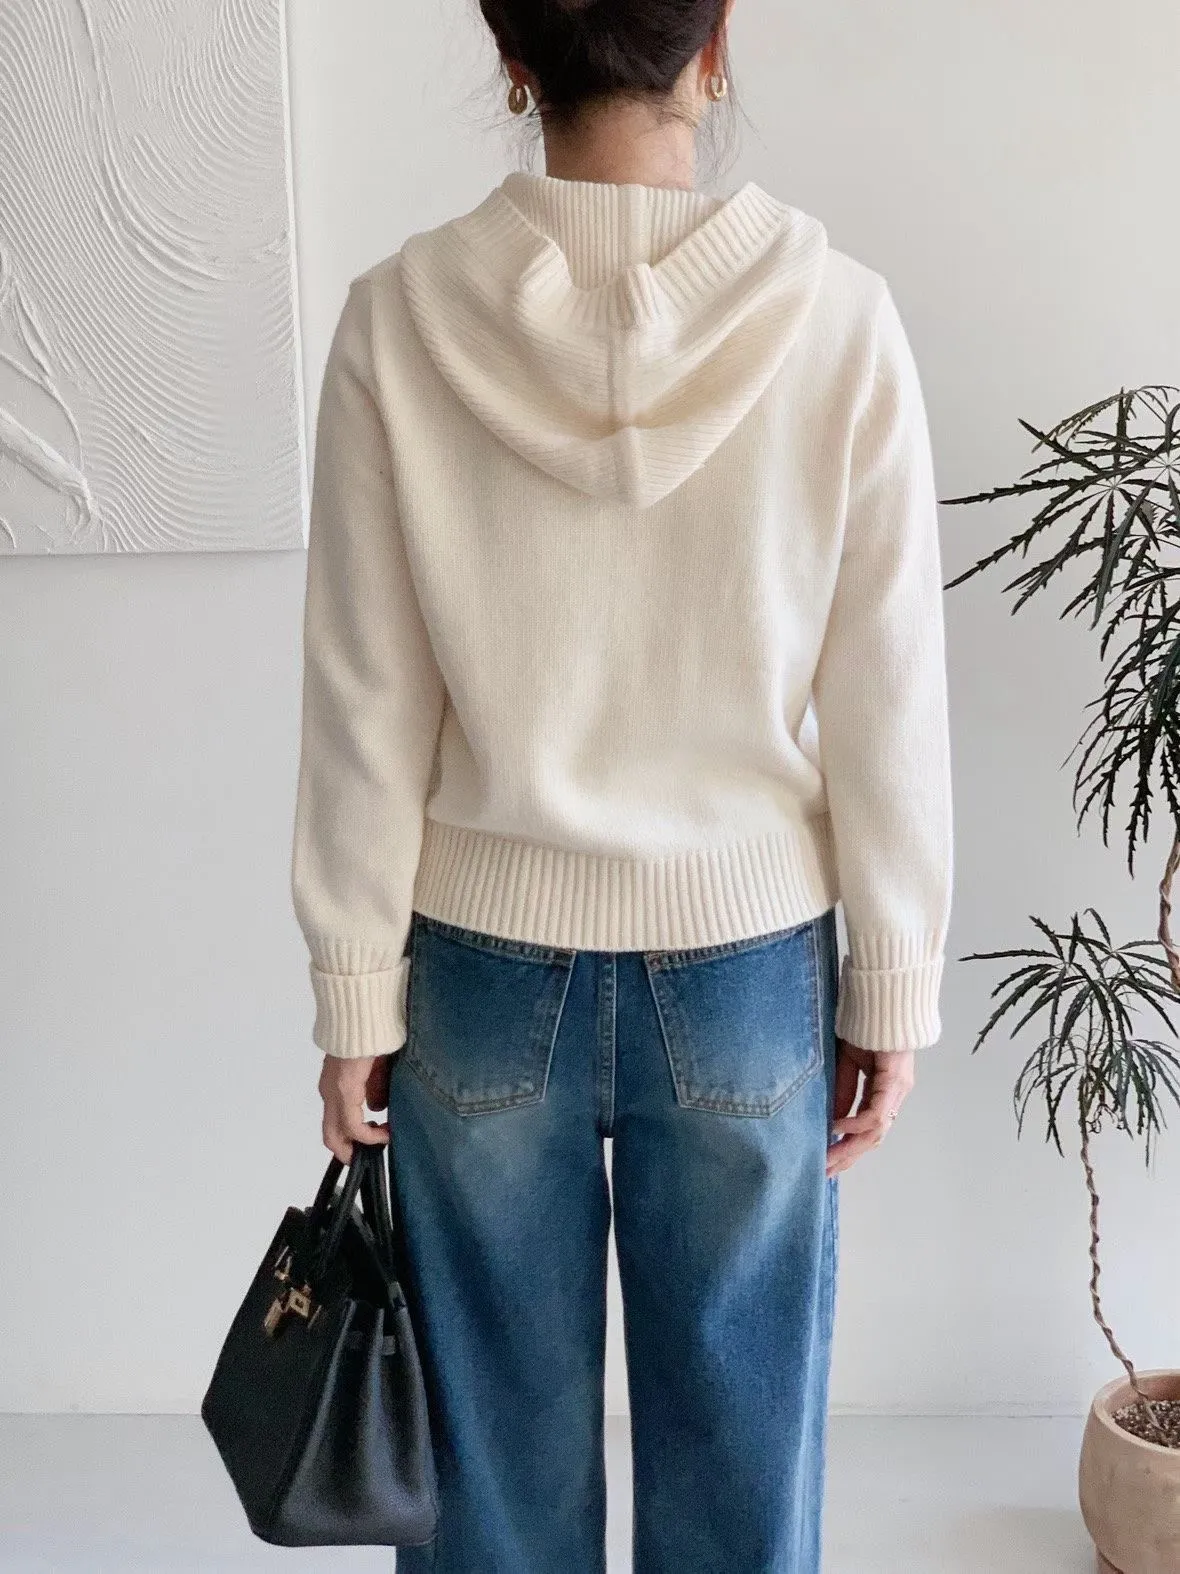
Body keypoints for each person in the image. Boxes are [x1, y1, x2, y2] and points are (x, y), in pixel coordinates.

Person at [289, 0, 953, 1567]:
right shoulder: (839, 320)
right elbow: (886, 688)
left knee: (488, 1485)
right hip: (745, 972)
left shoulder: (399, 320)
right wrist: (893, 974)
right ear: (714, 51)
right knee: (742, 1472)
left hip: (479, 972)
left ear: (511, 58)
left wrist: (354, 990)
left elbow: (367, 697)